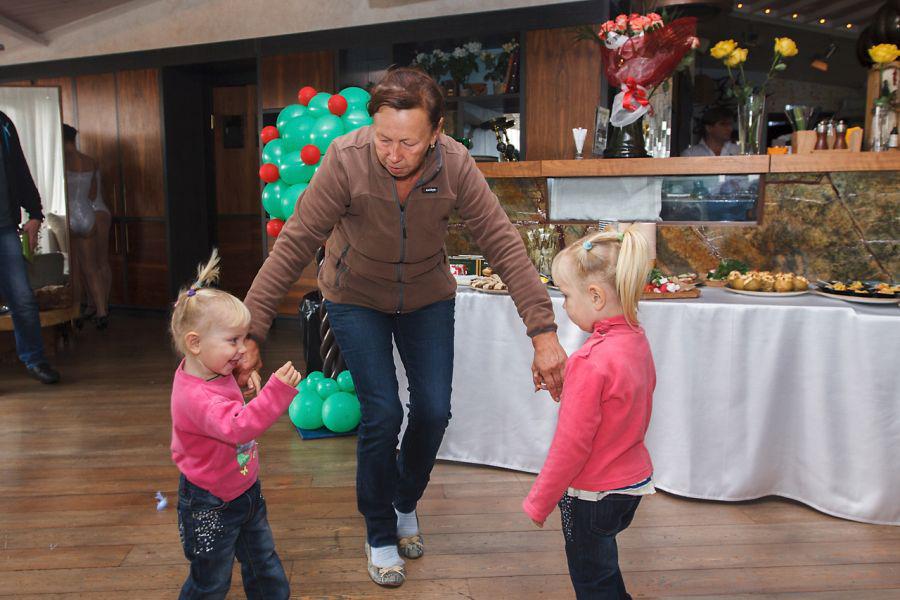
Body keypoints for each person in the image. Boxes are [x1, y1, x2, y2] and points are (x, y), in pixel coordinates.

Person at [238, 67, 568, 587]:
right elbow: (294, 242)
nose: (393, 154)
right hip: (354, 297)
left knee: (434, 411)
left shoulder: (455, 164)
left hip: (426, 296)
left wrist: (543, 332)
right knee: (382, 413)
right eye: (383, 139)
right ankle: (378, 529)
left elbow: (502, 243)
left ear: (436, 132)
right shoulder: (345, 159)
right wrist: (252, 332)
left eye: (408, 143)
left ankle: (404, 500)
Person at [523, 227, 656, 600]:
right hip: (630, 486)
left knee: (593, 581)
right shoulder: (636, 341)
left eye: (567, 295)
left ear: (595, 296)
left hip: (591, 496)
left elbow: (571, 444)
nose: (564, 305)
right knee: (604, 569)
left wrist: (540, 500)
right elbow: (626, 401)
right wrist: (575, 386)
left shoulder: (589, 360)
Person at [170, 249, 298, 599]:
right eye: (233, 341)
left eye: (243, 339)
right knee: (211, 581)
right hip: (209, 503)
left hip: (244, 488)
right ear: (195, 343)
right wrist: (275, 393)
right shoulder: (195, 397)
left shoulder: (212, 370)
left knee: (263, 563)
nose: (242, 349)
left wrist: (240, 386)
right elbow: (237, 427)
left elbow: (222, 406)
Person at [0, 110, 60, 384]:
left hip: (5, 229)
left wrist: (35, 212)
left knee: (22, 298)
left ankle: (35, 360)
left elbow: (19, 169)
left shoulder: (3, 123)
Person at [63, 124, 110, 330]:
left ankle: (75, 312)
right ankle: (101, 311)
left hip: (70, 215)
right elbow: (92, 193)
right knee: (92, 267)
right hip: (87, 213)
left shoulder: (62, 160)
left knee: (74, 269)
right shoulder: (90, 161)